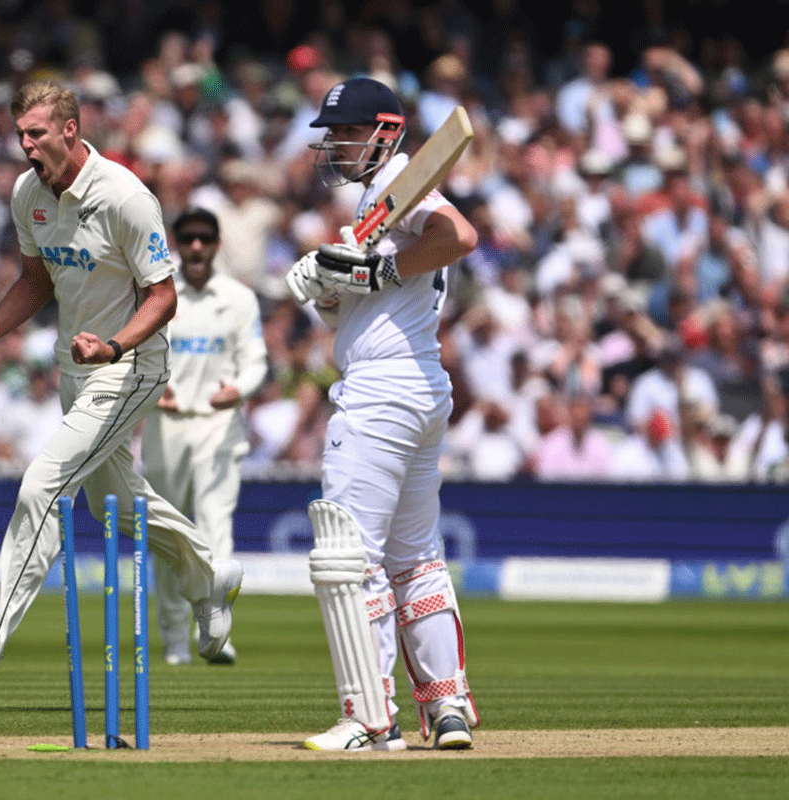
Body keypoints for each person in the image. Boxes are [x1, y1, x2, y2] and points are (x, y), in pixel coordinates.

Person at [0, 81, 242, 701]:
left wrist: (114, 345)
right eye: (19, 135)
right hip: (75, 368)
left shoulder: (124, 196)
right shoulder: (27, 194)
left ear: (69, 129)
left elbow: (162, 297)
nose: (26, 145)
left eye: (36, 133)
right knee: (112, 500)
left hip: (132, 364)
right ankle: (211, 574)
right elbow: (36, 280)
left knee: (45, 485)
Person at [283, 76, 480, 751]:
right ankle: (447, 707)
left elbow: (459, 235)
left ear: (385, 132)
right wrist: (328, 284)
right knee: (415, 558)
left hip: (380, 394)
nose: (335, 145)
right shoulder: (374, 206)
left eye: (345, 131)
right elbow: (363, 298)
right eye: (331, 134)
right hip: (421, 387)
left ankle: (370, 718)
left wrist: (376, 272)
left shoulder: (401, 183)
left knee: (350, 558)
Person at [140, 207, 268, 666]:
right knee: (171, 537)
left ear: (216, 245)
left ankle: (215, 632)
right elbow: (136, 351)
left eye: (205, 239)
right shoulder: (158, 293)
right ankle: (176, 640)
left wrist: (239, 390)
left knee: (216, 529)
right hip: (166, 422)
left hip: (218, 421)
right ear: (177, 243)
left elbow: (255, 359)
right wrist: (155, 390)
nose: (196, 247)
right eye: (188, 238)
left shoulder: (238, 298)